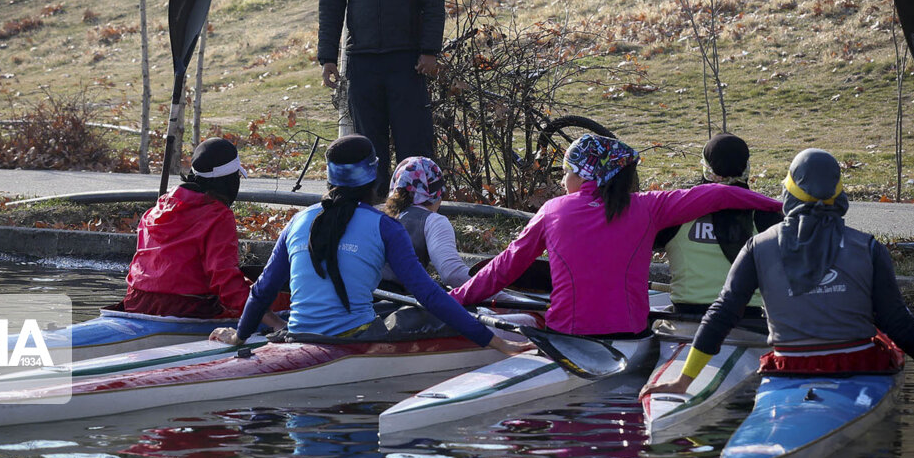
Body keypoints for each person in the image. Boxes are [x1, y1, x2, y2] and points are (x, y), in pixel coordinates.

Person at [641, 148, 914, 398]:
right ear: (838, 193)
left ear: (788, 192)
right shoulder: (869, 248)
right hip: (859, 369)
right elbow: (897, 324)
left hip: (788, 370)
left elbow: (722, 314)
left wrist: (684, 380)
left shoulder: (758, 247)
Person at [212, 135, 528, 354]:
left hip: (295, 335)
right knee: (420, 312)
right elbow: (429, 295)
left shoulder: (297, 220)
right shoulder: (384, 226)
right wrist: (494, 342)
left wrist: (240, 335)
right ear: (373, 177)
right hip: (354, 341)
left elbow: (263, 290)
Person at [448, 134, 783, 337]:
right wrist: (783, 205)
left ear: (584, 175)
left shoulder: (552, 210)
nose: (564, 181)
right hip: (632, 337)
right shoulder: (650, 206)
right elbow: (723, 195)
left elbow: (504, 268)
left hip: (566, 336)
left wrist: (455, 299)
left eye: (567, 173)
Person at [318, 0, 444, 185]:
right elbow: (330, 7)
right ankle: (371, 208)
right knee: (368, 146)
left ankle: (416, 206)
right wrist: (327, 58)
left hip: (407, 61)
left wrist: (429, 50)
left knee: (413, 140)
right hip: (362, 63)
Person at [124, 138, 277, 324]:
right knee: (274, 301)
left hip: (135, 301)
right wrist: (271, 319)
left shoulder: (155, 209)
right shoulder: (219, 216)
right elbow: (225, 280)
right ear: (229, 181)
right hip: (183, 307)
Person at [654, 132, 782, 316]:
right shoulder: (767, 214)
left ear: (705, 167)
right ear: (746, 167)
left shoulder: (676, 209)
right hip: (747, 323)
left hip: (686, 321)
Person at [381, 155, 472, 288]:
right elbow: (453, 275)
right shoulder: (433, 221)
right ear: (437, 194)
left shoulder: (375, 214)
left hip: (358, 296)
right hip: (396, 301)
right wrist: (504, 295)